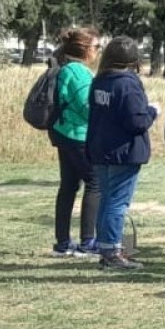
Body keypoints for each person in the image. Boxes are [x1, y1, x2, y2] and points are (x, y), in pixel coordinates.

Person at [84, 37, 157, 270]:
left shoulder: (99, 81)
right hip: (123, 151)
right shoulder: (128, 84)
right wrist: (153, 111)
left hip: (100, 148)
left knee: (107, 200)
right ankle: (112, 252)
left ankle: (106, 248)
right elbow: (137, 122)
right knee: (117, 203)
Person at [48, 28, 100, 257]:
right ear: (85, 49)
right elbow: (87, 107)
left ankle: (62, 242)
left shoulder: (64, 67)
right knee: (95, 183)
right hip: (79, 135)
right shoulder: (79, 72)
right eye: (96, 47)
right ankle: (88, 241)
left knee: (68, 186)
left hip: (63, 132)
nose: (98, 51)